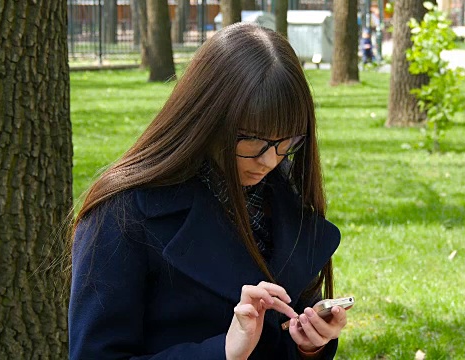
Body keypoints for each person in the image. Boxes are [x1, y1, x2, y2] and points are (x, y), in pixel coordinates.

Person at [68, 23, 349, 360]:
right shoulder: (123, 213)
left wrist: (309, 344)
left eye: (285, 142)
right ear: (206, 117)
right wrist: (224, 352)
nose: (269, 160)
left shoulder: (283, 197)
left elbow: (280, 333)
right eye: (252, 139)